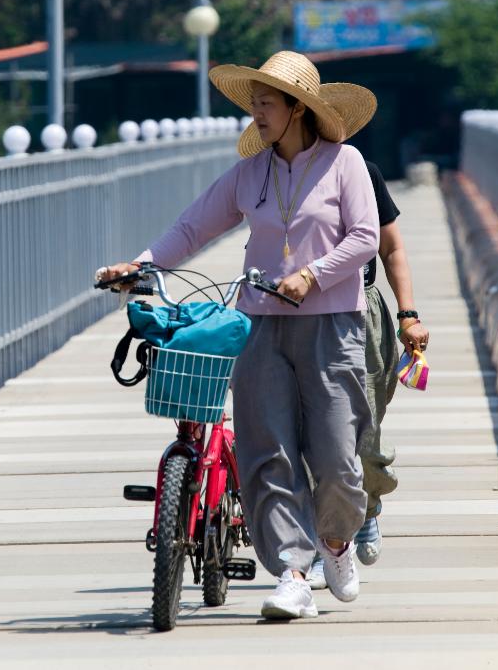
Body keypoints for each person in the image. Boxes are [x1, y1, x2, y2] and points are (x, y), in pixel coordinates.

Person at [99, 51, 380, 620]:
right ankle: (294, 576)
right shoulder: (250, 173)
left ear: (298, 109)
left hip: (331, 324)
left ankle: (336, 541)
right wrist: (140, 266)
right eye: (253, 104)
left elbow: (367, 237)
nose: (256, 114)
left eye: (266, 104)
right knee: (265, 451)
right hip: (259, 325)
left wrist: (313, 273)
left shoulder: (344, 163)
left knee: (336, 461)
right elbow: (192, 227)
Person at [306, 161, 431, 589]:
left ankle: (368, 507)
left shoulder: (362, 171)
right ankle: (329, 539)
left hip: (361, 313)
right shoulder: (276, 175)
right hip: (300, 315)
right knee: (312, 432)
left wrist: (408, 316)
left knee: (363, 429)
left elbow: (391, 248)